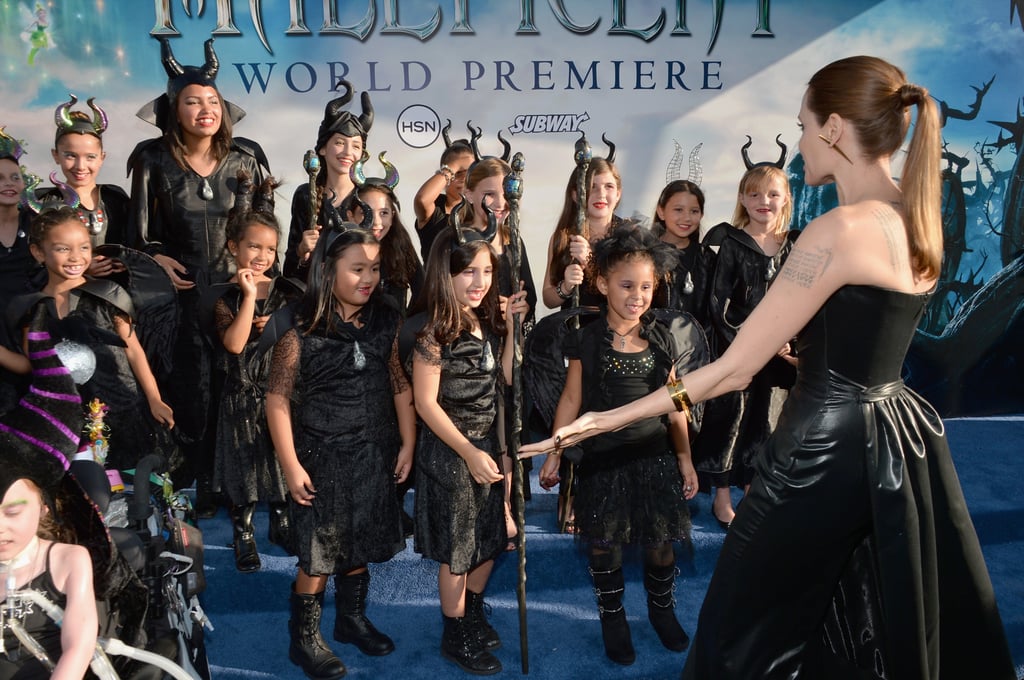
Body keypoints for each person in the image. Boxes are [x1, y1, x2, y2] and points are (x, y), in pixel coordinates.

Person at [521, 55, 1017, 679]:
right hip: (896, 439)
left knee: (742, 632)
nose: (803, 141)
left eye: (805, 125)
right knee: (863, 614)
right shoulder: (922, 219)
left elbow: (732, 370)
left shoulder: (834, 231)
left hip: (821, 450)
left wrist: (601, 418)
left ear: (835, 129)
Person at [537, 224, 702, 666]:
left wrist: (684, 457)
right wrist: (555, 450)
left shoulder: (664, 338)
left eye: (647, 286)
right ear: (603, 283)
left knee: (660, 542)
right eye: (627, 284)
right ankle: (613, 616)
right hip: (604, 462)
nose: (638, 295)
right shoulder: (585, 339)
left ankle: (661, 610)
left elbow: (677, 402)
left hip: (654, 459)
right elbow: (571, 399)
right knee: (605, 543)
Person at [265, 218, 415, 679]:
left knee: (360, 539)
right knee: (319, 550)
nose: (368, 278)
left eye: (374, 268)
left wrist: (408, 441)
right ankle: (304, 638)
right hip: (321, 455)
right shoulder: (300, 324)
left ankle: (350, 621)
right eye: (357, 269)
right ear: (328, 271)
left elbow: (397, 382)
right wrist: (290, 466)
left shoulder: (386, 318)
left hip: (374, 450)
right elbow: (276, 398)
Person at [129, 37, 271, 505]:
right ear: (174, 108)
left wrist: (262, 291)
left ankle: (244, 488)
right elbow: (140, 235)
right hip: (183, 294)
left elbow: (264, 230)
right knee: (193, 387)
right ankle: (196, 485)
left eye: (212, 101)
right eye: (192, 101)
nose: (205, 109)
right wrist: (155, 258)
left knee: (240, 387)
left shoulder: (245, 156)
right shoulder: (152, 160)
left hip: (237, 291)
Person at [408, 221, 529, 675]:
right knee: (459, 550)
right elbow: (424, 404)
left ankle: (473, 611)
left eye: (486, 271)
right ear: (446, 274)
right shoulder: (433, 333)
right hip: (451, 452)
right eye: (468, 273)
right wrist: (468, 452)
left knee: (490, 541)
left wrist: (514, 329)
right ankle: (454, 633)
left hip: (488, 446)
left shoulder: (486, 323)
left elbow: (510, 380)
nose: (479, 283)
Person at [7, 206, 175, 474]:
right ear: (38, 252)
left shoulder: (108, 294)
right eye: (63, 249)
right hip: (67, 420)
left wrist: (155, 399)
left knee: (130, 489)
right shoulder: (32, 305)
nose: (76, 257)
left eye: (84, 247)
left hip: (120, 410)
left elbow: (134, 351)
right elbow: (31, 364)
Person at [697, 158, 798, 529]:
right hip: (737, 351)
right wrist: (750, 342)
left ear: (786, 198)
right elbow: (718, 302)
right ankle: (722, 496)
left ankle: (755, 493)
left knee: (766, 424)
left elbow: (806, 299)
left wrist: (789, 343)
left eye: (773, 194)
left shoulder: (797, 246)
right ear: (742, 198)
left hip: (779, 356)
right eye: (754, 194)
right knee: (730, 420)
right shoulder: (732, 244)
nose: (763, 201)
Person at [0, 301, 99, 680]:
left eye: (12, 511)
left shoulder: (67, 560)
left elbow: (78, 644)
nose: (1, 526)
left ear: (43, 507)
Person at [208, 175, 298, 573]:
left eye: (270, 249)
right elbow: (233, 343)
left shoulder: (285, 292)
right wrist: (248, 300)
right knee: (243, 466)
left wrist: (276, 322)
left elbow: (295, 339)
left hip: (278, 392)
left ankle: (281, 521)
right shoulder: (224, 295)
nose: (262, 256)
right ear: (234, 247)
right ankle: (243, 531)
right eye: (253, 247)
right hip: (240, 394)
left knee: (277, 460)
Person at [284, 81, 372, 280]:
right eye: (340, 143)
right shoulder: (306, 195)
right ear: (323, 148)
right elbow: (290, 271)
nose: (348, 152)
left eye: (356, 146)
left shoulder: (368, 197)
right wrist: (301, 252)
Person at [46, 95, 130, 277]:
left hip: (117, 296)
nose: (80, 166)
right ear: (56, 155)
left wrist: (126, 261)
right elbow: (37, 259)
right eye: (70, 155)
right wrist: (81, 267)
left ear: (102, 157)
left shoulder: (116, 198)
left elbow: (135, 244)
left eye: (90, 157)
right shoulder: (48, 203)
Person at [542, 151, 624, 311]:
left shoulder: (629, 236)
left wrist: (589, 262)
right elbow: (548, 299)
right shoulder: (564, 237)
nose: (600, 194)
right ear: (575, 194)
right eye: (591, 187)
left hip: (615, 332)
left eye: (609, 187)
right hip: (574, 332)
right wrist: (565, 287)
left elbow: (629, 293)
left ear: (618, 194)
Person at [345, 152, 424, 315]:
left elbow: (422, 290)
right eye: (366, 212)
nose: (376, 222)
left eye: (384, 213)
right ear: (350, 216)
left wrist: (407, 325)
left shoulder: (401, 246)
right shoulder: (340, 249)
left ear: (393, 215)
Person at [650, 179, 714, 329]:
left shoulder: (708, 258)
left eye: (694, 211)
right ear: (661, 211)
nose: (686, 218)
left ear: (701, 215)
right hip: (653, 343)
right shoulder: (645, 254)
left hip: (698, 347)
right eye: (678, 210)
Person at [411, 122, 475, 260]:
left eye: (469, 173)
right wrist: (454, 164)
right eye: (457, 173)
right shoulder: (435, 209)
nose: (464, 179)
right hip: (436, 280)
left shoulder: (479, 212)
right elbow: (422, 200)